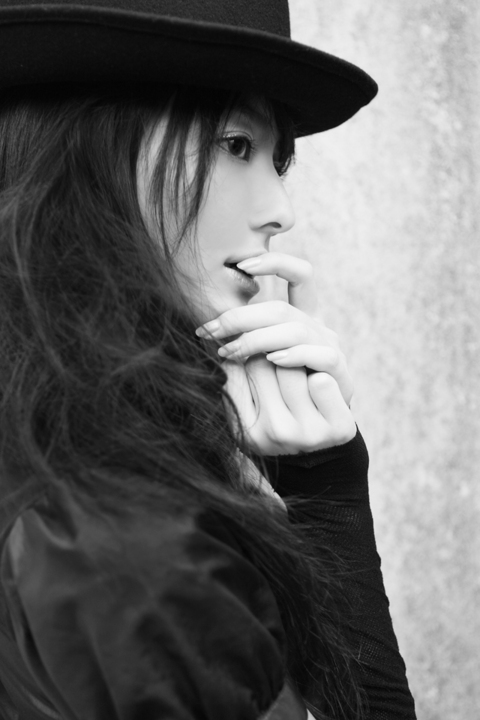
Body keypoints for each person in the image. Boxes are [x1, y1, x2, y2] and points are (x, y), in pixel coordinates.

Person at [0, 0, 417, 718]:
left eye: (278, 160)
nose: (281, 209)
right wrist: (328, 501)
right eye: (236, 144)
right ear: (91, 146)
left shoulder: (67, 457)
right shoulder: (138, 554)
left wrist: (315, 473)